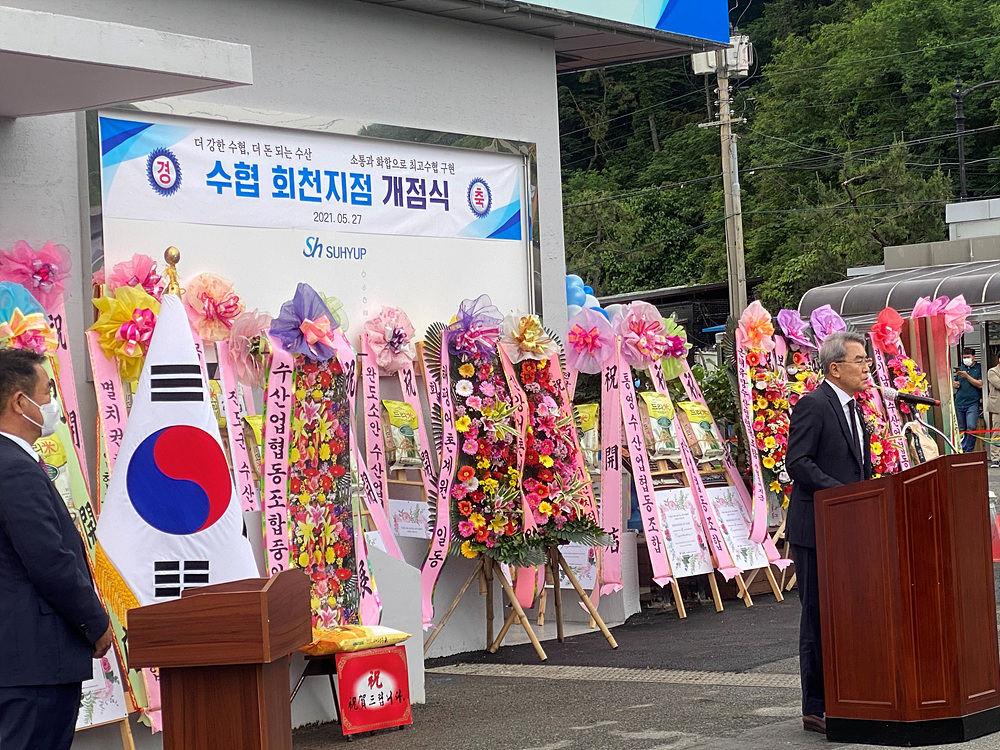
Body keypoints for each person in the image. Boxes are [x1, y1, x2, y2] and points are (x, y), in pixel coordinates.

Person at [0, 349, 113, 750]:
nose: (52, 404)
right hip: (32, 663)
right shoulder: (13, 467)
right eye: (47, 392)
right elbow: (49, 560)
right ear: (20, 402)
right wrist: (94, 622)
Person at [786, 332, 873, 735]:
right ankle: (816, 706)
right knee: (818, 616)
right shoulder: (814, 405)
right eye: (860, 360)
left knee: (850, 612)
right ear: (835, 368)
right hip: (817, 529)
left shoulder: (855, 409)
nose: (867, 367)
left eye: (867, 360)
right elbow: (798, 462)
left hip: (850, 526)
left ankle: (850, 694)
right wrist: (841, 494)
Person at [953, 347, 983, 454]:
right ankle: (962, 450)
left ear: (974, 357)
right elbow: (956, 383)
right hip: (959, 402)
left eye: (968, 357)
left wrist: (967, 376)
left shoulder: (979, 368)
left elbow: (980, 384)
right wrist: (955, 384)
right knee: (961, 429)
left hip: (972, 403)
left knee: (971, 427)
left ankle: (969, 451)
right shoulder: (961, 368)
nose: (966, 359)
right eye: (964, 357)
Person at [988, 357, 1000, 468]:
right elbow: (998, 384)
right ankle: (995, 458)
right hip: (997, 408)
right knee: (997, 433)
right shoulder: (992, 371)